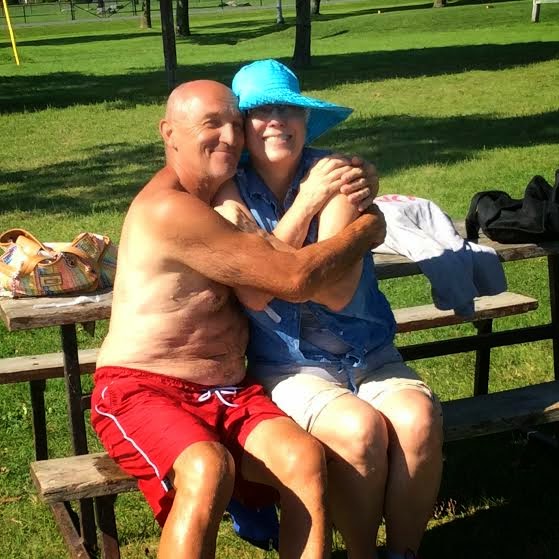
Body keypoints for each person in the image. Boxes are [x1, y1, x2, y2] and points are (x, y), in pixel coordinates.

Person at [90, 79, 386, 559]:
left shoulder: (224, 197)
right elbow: (293, 278)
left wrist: (360, 179)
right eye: (211, 124)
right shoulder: (169, 208)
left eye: (234, 124)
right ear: (169, 132)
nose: (229, 137)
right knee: (207, 468)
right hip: (142, 388)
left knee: (304, 459)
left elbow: (271, 261)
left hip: (228, 390)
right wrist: (370, 226)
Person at [213, 59, 444, 559]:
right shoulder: (229, 193)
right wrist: (306, 206)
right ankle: (362, 553)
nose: (277, 120)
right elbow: (253, 295)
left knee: (419, 419)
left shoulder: (337, 174)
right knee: (360, 431)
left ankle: (403, 553)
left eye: (288, 109)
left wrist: (274, 261)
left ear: (305, 119)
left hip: (368, 353)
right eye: (261, 111)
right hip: (288, 365)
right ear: (242, 127)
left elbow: (335, 291)